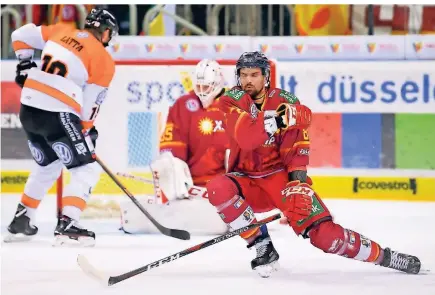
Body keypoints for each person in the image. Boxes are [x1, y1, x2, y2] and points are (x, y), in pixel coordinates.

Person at [205, 51, 422, 278]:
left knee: (325, 236)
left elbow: (296, 148)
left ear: (266, 76)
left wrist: (298, 185)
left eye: (255, 74)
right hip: (246, 181)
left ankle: (385, 256)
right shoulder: (230, 100)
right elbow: (246, 137)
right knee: (218, 187)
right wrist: (278, 120)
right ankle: (261, 244)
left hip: (279, 180)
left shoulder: (286, 101)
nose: (248, 80)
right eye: (244, 74)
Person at [4, 8, 118, 247]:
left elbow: (19, 34)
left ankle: (22, 219)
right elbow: (89, 106)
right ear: (105, 32)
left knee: (49, 163)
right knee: (85, 169)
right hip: (57, 111)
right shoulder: (103, 59)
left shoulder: (61, 30)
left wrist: (25, 63)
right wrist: (86, 130)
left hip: (29, 107)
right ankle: (68, 223)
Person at [120, 59, 230, 235]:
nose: (201, 92)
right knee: (165, 164)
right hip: (192, 189)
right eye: (198, 86)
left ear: (217, 84)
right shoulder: (184, 105)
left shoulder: (236, 107)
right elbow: (171, 146)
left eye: (206, 87)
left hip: (224, 187)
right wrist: (174, 174)